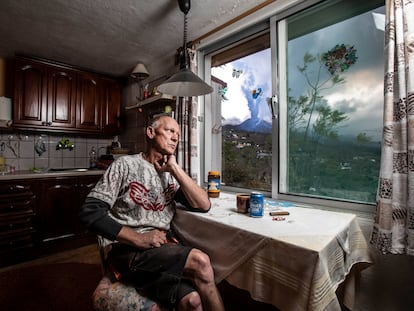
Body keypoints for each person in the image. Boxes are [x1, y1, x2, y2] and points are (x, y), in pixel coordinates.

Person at [79, 115, 225, 311]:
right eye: (170, 131)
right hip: (128, 250)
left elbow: (203, 204)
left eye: (178, 135)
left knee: (193, 302)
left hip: (161, 250)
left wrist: (174, 168)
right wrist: (138, 238)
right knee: (201, 262)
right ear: (150, 132)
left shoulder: (170, 176)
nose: (175, 138)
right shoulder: (125, 165)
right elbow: (90, 212)